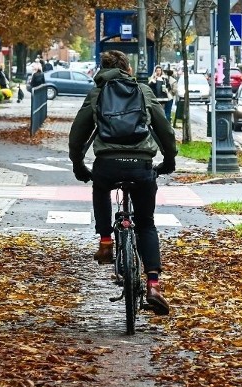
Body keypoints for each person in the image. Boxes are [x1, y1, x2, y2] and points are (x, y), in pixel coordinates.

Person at [68, 50, 177, 316]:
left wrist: (78, 164)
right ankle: (153, 285)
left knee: (101, 186)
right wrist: (169, 159)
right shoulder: (143, 91)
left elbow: (77, 134)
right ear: (127, 67)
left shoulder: (96, 94)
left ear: (102, 69)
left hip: (108, 163)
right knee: (146, 223)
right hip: (141, 165)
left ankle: (106, 241)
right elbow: (163, 128)